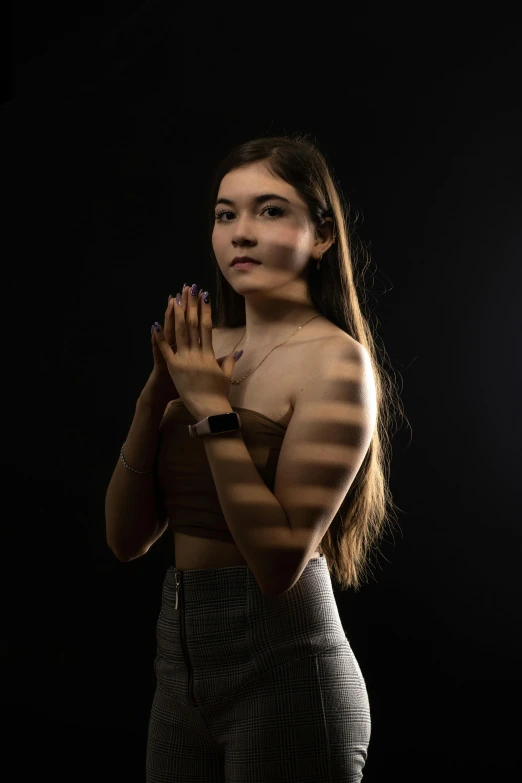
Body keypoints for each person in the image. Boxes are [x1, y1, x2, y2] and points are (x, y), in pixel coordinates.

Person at [106, 134, 394, 781]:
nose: (240, 232)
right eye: (225, 213)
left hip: (288, 677)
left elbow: (278, 562)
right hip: (178, 679)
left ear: (321, 234)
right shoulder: (203, 345)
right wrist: (153, 402)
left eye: (269, 210)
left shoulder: (336, 362)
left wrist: (211, 408)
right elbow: (126, 539)